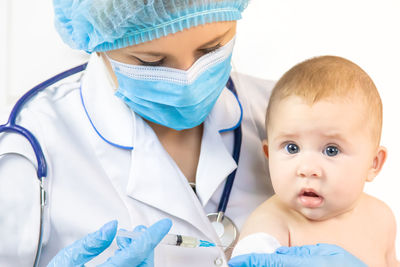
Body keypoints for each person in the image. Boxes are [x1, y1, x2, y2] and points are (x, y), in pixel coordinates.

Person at [0, 0, 367, 266]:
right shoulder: (25, 145)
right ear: (97, 45)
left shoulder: (292, 119)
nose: (189, 77)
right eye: (152, 61)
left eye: (212, 48)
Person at [230, 56, 399, 266]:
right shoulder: (271, 225)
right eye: (292, 148)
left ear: (374, 164)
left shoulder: (381, 218)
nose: (308, 169)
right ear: (268, 154)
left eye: (331, 150)